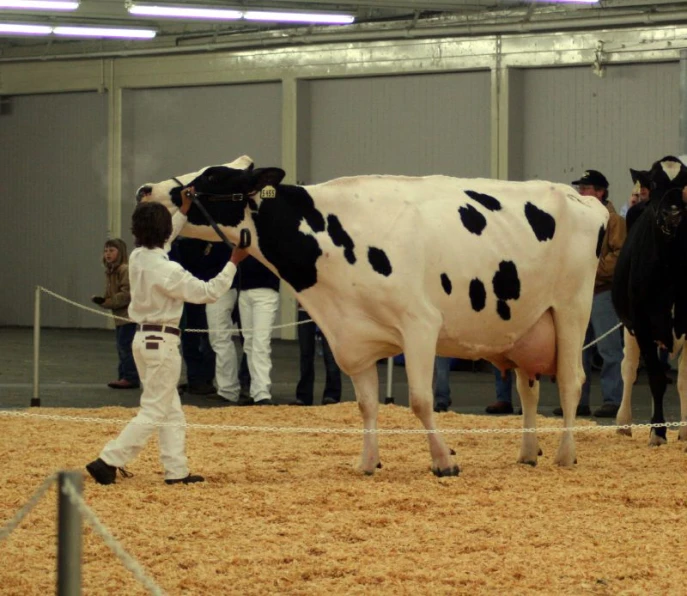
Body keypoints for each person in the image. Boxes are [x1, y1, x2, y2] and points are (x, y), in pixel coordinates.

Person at [86, 190, 247, 485]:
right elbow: (208, 292)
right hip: (162, 343)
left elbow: (165, 237)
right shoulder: (170, 270)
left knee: (170, 409)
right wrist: (234, 261)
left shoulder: (138, 257)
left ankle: (177, 471)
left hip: (143, 340)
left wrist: (184, 208)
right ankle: (108, 460)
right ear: (162, 232)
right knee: (155, 410)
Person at [554, 169, 626, 418]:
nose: (581, 192)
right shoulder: (577, 218)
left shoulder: (614, 221)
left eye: (586, 188)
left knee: (609, 350)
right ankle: (577, 400)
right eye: (580, 188)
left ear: (600, 192)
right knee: (576, 350)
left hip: (600, 292)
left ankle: (612, 399)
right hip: (579, 292)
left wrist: (589, 271)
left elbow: (618, 255)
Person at [169, 238, 220, 396]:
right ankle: (197, 379)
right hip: (191, 294)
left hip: (195, 293)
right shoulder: (182, 242)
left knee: (199, 339)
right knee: (194, 339)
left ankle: (200, 379)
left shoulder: (182, 242)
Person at [92, 238, 140, 390]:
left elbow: (126, 294)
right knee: (122, 346)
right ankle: (124, 375)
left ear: (120, 253)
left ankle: (130, 377)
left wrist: (107, 302)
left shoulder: (124, 269)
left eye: (111, 250)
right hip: (120, 317)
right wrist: (102, 300)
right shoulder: (111, 271)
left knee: (125, 346)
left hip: (128, 317)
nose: (107, 254)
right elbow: (111, 294)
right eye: (106, 251)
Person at [236, 256, 280, 406]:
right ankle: (256, 391)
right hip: (244, 290)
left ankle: (262, 392)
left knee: (260, 342)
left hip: (266, 290)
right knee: (249, 343)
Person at [290, 303, 342, 406]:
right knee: (305, 353)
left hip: (329, 307)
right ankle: (304, 396)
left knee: (330, 354)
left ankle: (332, 395)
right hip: (305, 308)